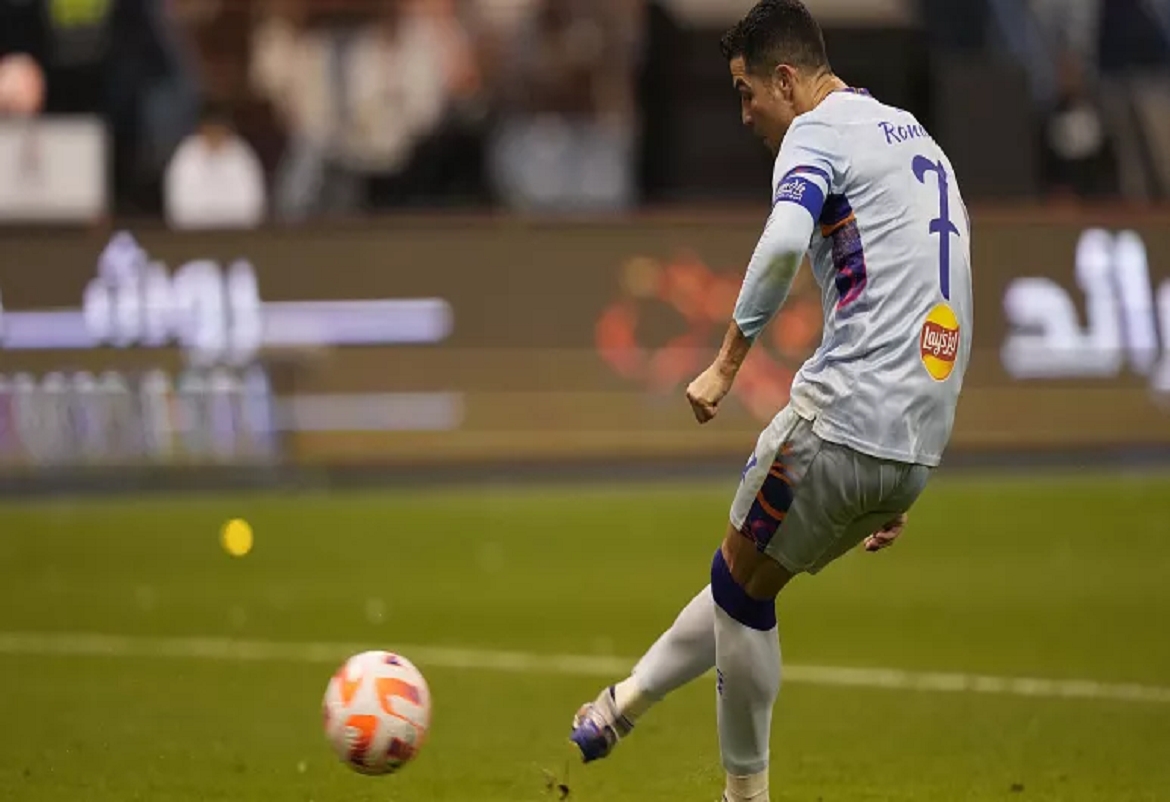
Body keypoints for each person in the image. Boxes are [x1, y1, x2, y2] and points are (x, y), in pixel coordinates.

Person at [565, 2, 974, 801]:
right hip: (914, 439)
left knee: (742, 595)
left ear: (786, 80)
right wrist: (908, 453)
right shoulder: (918, 140)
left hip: (843, 416)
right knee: (742, 576)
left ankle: (743, 796)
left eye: (747, 91)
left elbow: (785, 241)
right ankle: (622, 705)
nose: (746, 113)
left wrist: (726, 364)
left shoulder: (817, 133)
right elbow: (947, 286)